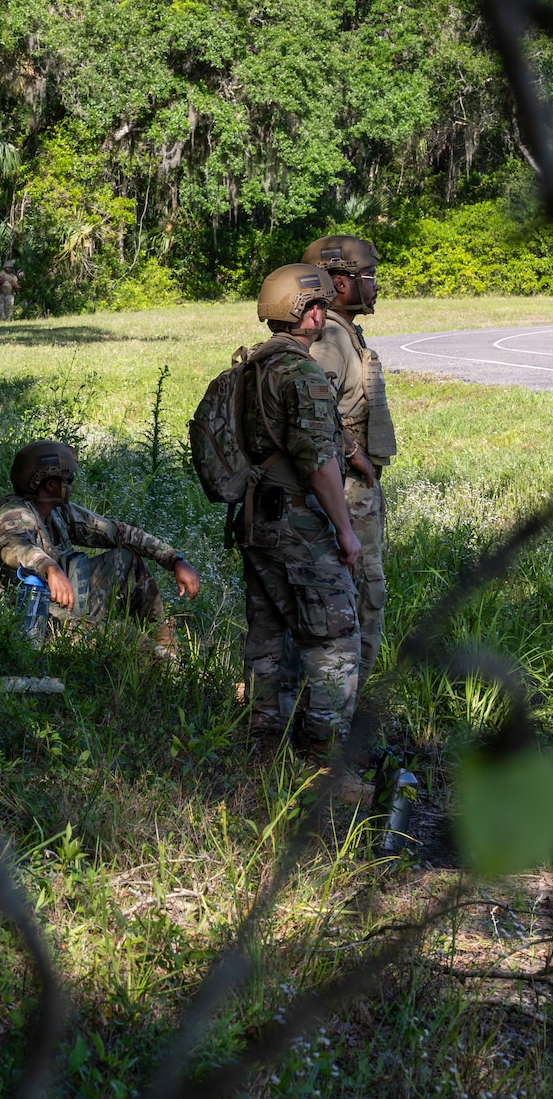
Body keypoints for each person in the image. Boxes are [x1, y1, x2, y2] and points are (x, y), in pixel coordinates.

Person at [237, 264, 365, 767]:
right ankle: (322, 760)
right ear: (308, 312)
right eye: (320, 305)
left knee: (268, 634)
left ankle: (264, 747)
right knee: (335, 641)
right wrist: (345, 531)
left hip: (255, 522)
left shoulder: (252, 366)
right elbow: (317, 462)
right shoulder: (302, 372)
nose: (323, 313)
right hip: (297, 526)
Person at [0, 440, 201, 650]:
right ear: (50, 485)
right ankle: (170, 667)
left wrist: (173, 559)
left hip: (56, 601)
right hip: (25, 617)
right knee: (123, 636)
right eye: (69, 479)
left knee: (125, 560)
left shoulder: (56, 512)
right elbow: (15, 548)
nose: (72, 484)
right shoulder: (11, 514)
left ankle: (168, 647)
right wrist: (50, 568)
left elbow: (117, 532)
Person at [301, 235, 398, 700]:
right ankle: (337, 712)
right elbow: (308, 407)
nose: (376, 286)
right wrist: (352, 450)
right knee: (359, 602)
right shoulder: (332, 339)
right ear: (341, 283)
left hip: (353, 491)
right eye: (370, 277)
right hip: (343, 493)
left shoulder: (344, 331)